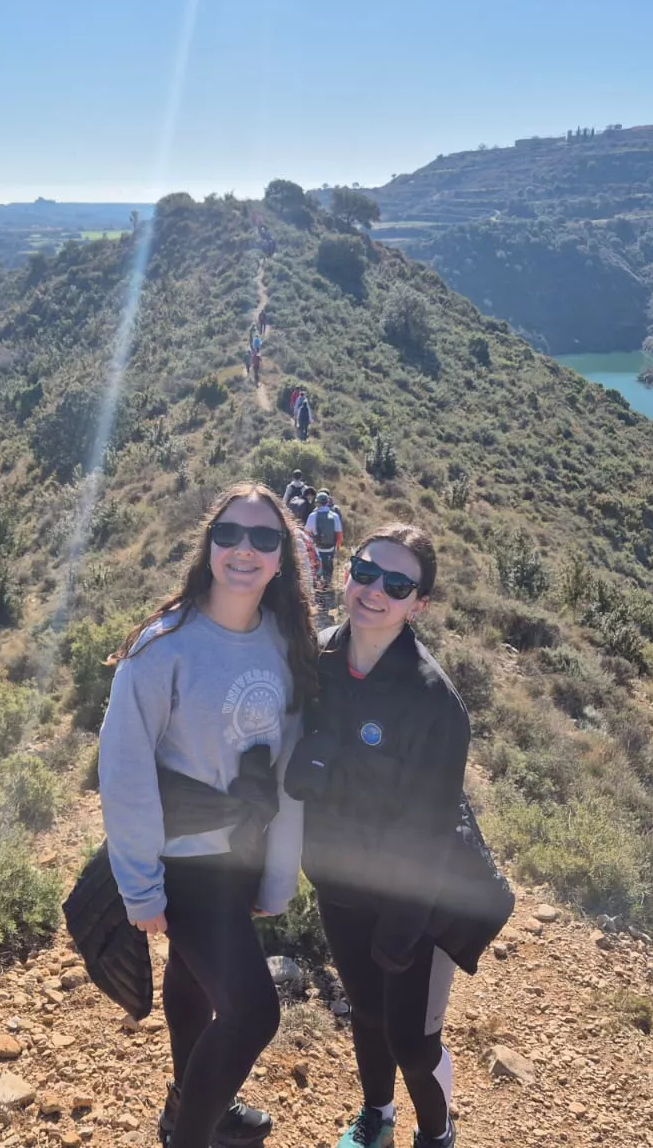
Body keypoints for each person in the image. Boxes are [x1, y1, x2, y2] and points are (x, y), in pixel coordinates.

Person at [97, 483, 320, 1148]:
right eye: (229, 534)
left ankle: (191, 1107)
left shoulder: (284, 640)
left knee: (192, 977)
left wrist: (277, 873)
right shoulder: (163, 647)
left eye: (263, 538)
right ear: (209, 546)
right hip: (182, 861)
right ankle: (189, 1137)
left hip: (243, 851)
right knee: (254, 1015)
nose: (244, 549)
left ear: (282, 558)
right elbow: (125, 773)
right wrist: (140, 887)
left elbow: (285, 770)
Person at [286, 525, 471, 1148]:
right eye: (365, 572)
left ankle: (437, 1132)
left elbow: (434, 827)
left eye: (396, 584)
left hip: (413, 901)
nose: (375, 591)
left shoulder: (433, 700)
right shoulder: (317, 662)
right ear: (348, 574)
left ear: (419, 604)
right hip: (338, 882)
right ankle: (377, 1117)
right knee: (366, 1012)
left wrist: (402, 925)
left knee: (412, 1042)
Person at [307, 492, 342, 588]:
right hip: (330, 548)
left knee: (316, 567)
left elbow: (307, 534)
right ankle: (328, 584)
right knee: (328, 567)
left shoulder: (312, 516)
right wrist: (337, 548)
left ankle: (317, 586)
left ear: (317, 503)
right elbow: (339, 536)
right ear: (327, 502)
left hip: (317, 548)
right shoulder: (335, 516)